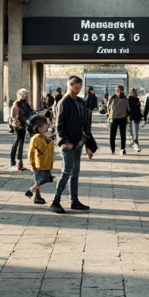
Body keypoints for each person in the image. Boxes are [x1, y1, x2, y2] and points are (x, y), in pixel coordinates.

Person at [50, 75, 93, 213]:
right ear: (69, 86)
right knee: (66, 171)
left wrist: (89, 146)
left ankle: (74, 201)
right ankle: (55, 201)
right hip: (68, 144)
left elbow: (85, 124)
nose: (77, 89)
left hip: (78, 142)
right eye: (75, 87)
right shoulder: (64, 102)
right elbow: (59, 125)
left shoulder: (80, 102)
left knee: (75, 173)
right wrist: (64, 142)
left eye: (79, 87)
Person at [23, 114, 53, 205]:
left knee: (41, 180)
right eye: (45, 127)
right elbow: (44, 148)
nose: (46, 129)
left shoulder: (41, 136)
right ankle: (31, 190)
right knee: (44, 179)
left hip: (44, 163)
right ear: (39, 128)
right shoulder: (37, 138)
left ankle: (37, 197)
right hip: (40, 164)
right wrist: (51, 143)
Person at [9, 88, 34, 170]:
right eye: (23, 94)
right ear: (19, 95)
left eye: (25, 94)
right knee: (17, 141)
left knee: (21, 142)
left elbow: (30, 112)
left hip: (23, 124)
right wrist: (15, 124)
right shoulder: (17, 104)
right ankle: (13, 159)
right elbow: (13, 116)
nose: (24, 96)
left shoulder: (26, 104)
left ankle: (19, 160)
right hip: (17, 125)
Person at [107, 85, 129, 154]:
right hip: (114, 117)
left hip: (122, 118)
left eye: (118, 89)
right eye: (117, 89)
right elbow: (108, 106)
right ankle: (112, 147)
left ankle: (123, 148)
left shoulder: (124, 98)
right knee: (112, 134)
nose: (117, 90)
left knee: (122, 134)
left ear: (121, 90)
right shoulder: (113, 97)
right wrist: (109, 114)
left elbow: (128, 108)